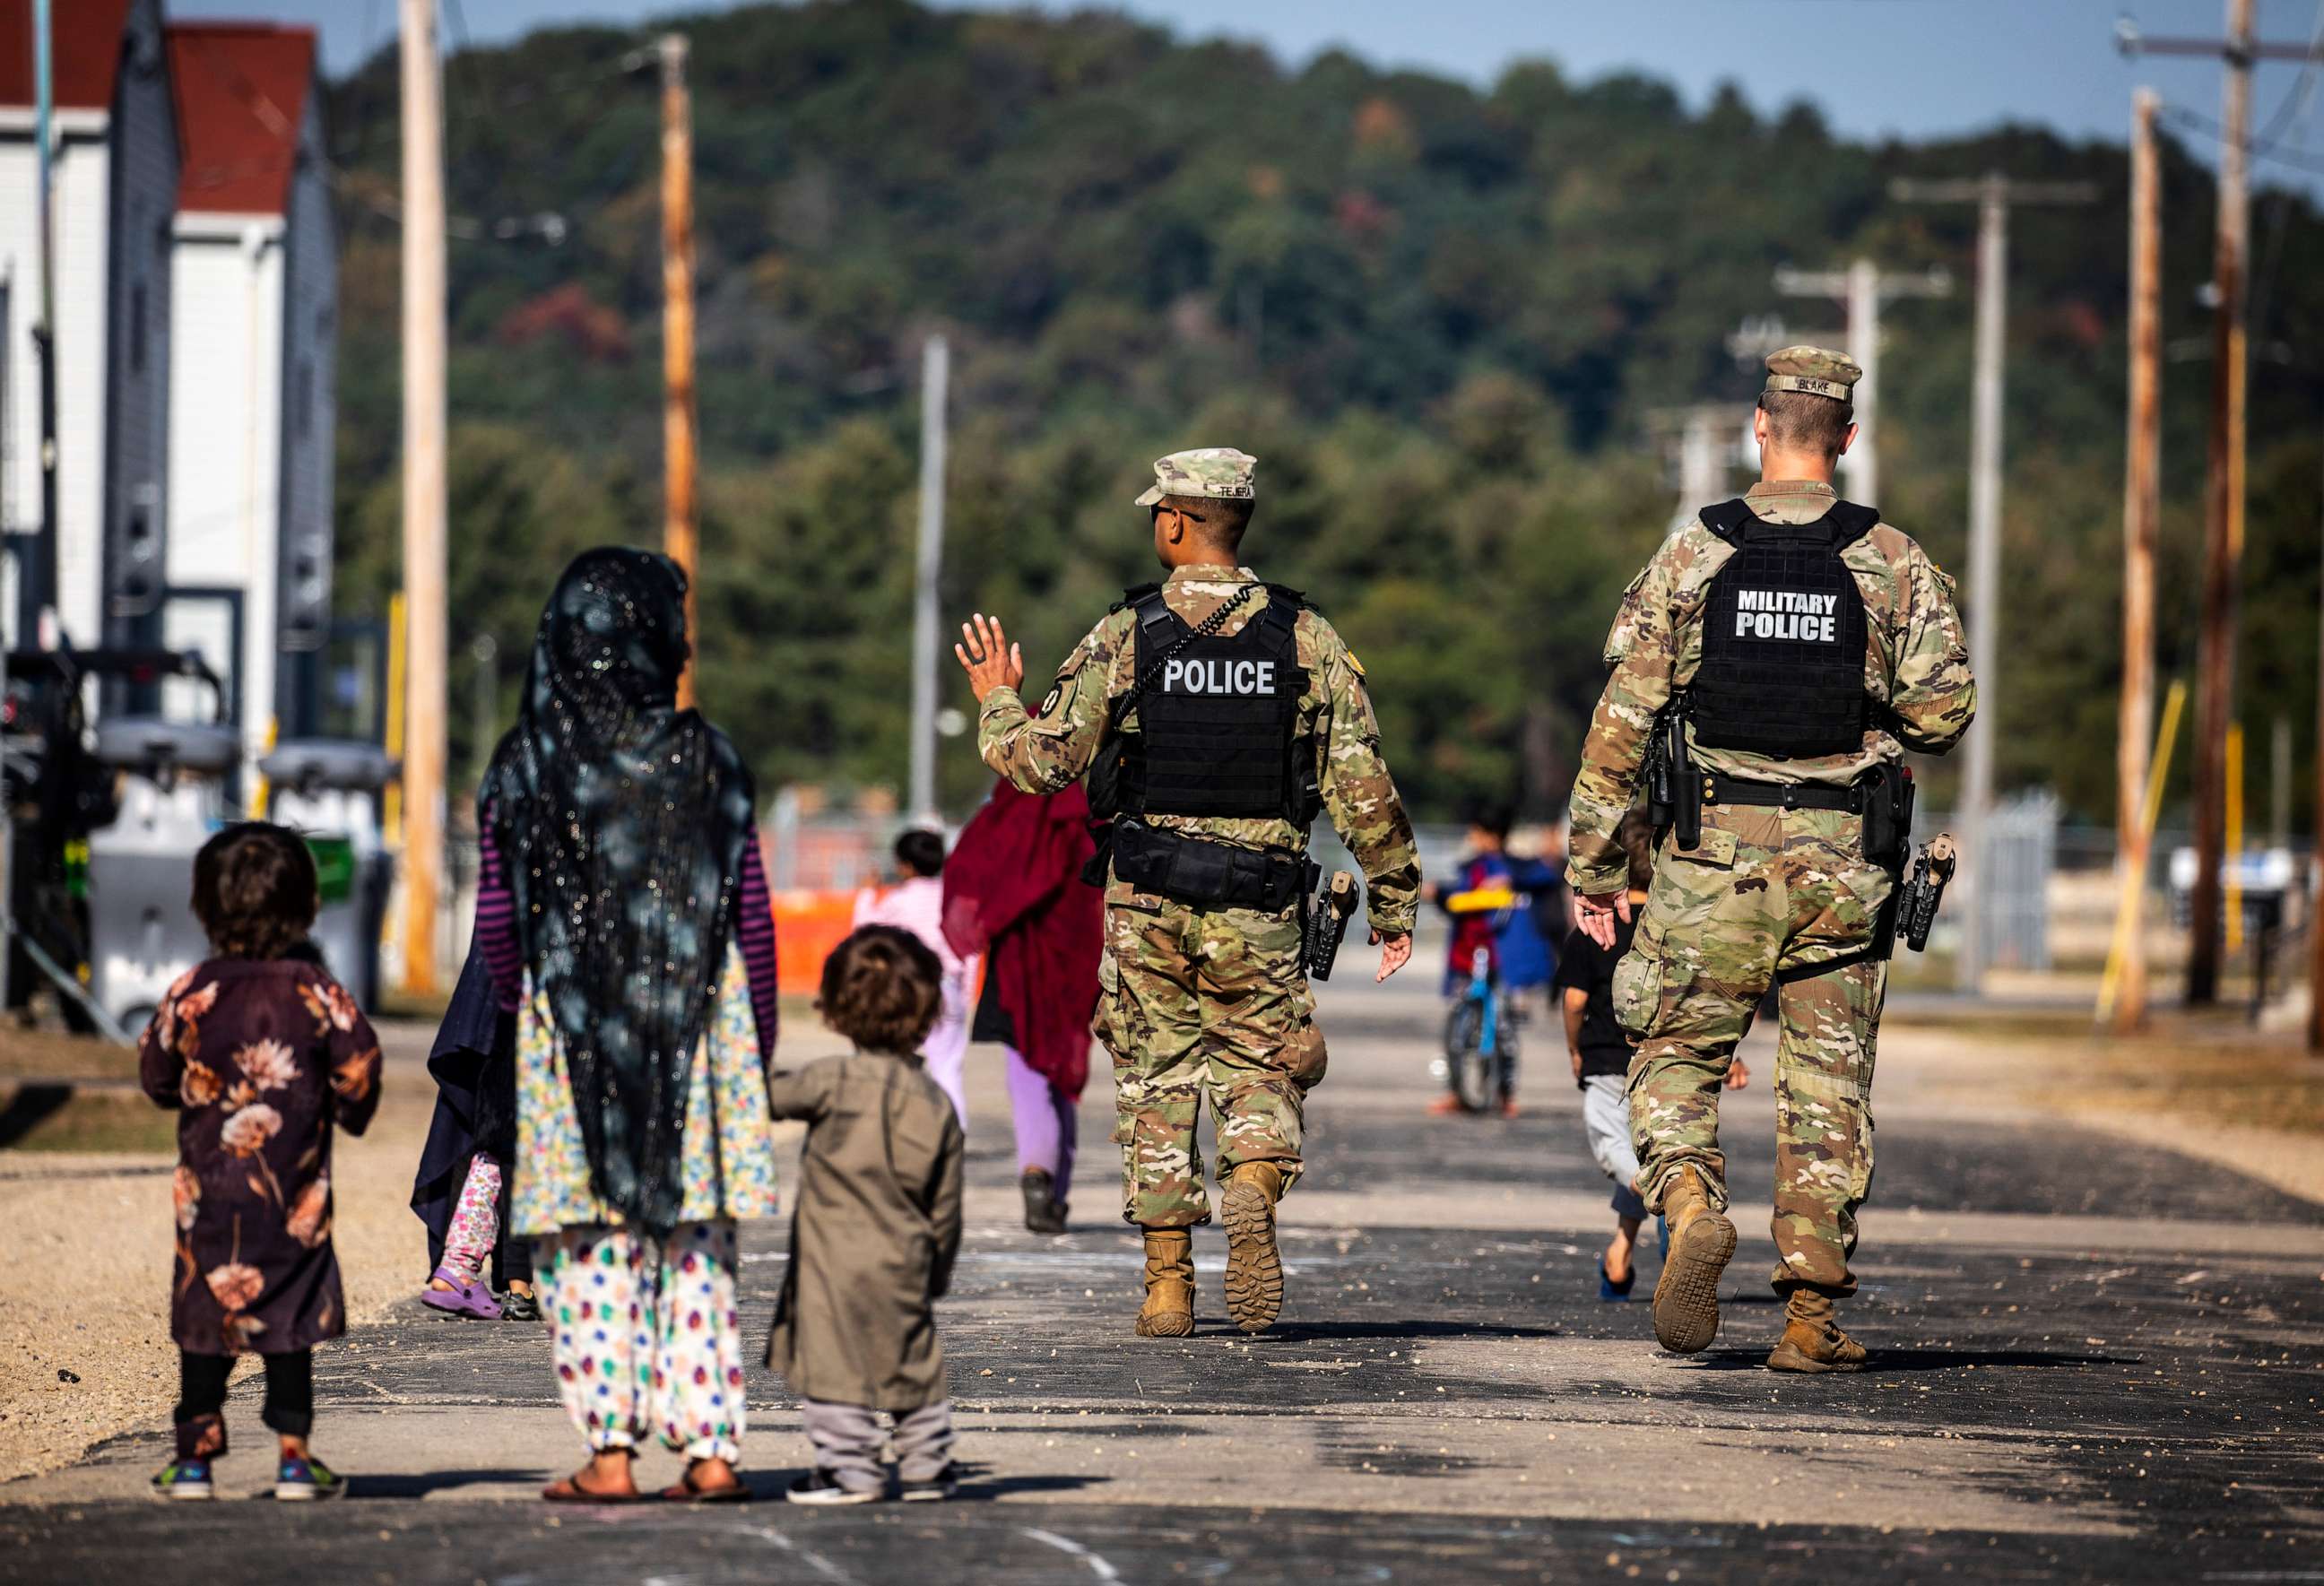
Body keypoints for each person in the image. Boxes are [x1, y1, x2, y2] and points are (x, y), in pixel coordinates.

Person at [1567, 347, 1975, 1373]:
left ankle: (1693, 1198)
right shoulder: (1893, 560)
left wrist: (1597, 865)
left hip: (1711, 860)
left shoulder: (1691, 556)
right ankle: (1809, 1317)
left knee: (1671, 1057)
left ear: (1760, 425)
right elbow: (1944, 712)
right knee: (1825, 1089)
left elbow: (1622, 724)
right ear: (1844, 435)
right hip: (1845, 868)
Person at [956, 446, 1421, 1337]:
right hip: (1262, 898)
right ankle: (1250, 1183)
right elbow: (1363, 788)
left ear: (1173, 522)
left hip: (1149, 897)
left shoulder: (1125, 634)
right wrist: (1395, 903)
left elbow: (1042, 765)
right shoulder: (1306, 637)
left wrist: (997, 700)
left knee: (1156, 1080)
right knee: (1261, 1068)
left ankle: (1168, 1284)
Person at [478, 548, 782, 1503]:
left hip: (569, 1029)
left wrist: (516, 1008)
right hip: (703, 1032)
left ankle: (610, 1453)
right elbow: (753, 917)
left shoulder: (525, 762)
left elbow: (498, 920)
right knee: (697, 1248)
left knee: (585, 1250)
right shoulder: (712, 757)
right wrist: (753, 1047)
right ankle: (712, 1450)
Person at [138, 822, 383, 1501]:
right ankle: (295, 1458)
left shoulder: (194, 990)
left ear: (205, 907)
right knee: (290, 1315)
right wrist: (346, 1111)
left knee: (204, 1310)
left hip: (208, 1195)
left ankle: (194, 1459)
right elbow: (360, 1067)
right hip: (292, 1191)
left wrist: (179, 1091)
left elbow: (156, 1069)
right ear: (305, 905)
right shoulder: (316, 990)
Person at [765, 927, 966, 1504]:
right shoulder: (935, 1103)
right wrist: (937, 1271)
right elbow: (946, 1206)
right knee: (912, 1363)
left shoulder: (829, 1081)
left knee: (833, 1372)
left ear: (833, 1012)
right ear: (929, 1013)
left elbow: (765, 1098)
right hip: (905, 1259)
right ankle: (928, 1467)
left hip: (830, 1267)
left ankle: (851, 1470)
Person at [1557, 810, 1747, 1301]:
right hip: (1669, 1064)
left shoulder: (1594, 931)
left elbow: (1575, 1001)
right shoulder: (1681, 935)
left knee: (1621, 1158)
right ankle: (1626, 1247)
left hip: (1605, 1064)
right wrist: (1730, 1056)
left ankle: (1682, 1212)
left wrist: (1575, 1048)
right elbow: (1712, 1000)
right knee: (1662, 1153)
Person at [940, 779, 1103, 1235]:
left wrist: (988, 920)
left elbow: (972, 872)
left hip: (1017, 962)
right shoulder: (1087, 819)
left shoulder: (1006, 816)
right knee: (1062, 1070)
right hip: (1075, 961)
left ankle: (1035, 1169)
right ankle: (1056, 1189)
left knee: (1026, 1068)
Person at [410, 941, 534, 1321]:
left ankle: (467, 1265)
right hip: (524, 983)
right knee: (507, 1132)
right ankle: (510, 1279)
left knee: (487, 1129)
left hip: (492, 987)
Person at [1422, 803, 1564, 1118]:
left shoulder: (1518, 867)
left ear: (1490, 835)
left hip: (1502, 958)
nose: (1472, 837)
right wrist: (1439, 894)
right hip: (1468, 954)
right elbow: (1457, 899)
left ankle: (1505, 1094)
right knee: (1458, 1027)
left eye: (1476, 832)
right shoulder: (1470, 867)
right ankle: (1457, 1091)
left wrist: (1509, 880)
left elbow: (1546, 878)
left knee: (1503, 1028)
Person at [853, 828, 975, 1128]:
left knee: (900, 1060)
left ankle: (899, 1127)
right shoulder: (955, 899)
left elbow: (864, 930)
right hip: (949, 987)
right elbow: (970, 949)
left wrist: (868, 892)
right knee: (947, 1066)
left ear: (904, 866)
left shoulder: (899, 900)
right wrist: (967, 993)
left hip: (910, 988)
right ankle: (955, 1130)